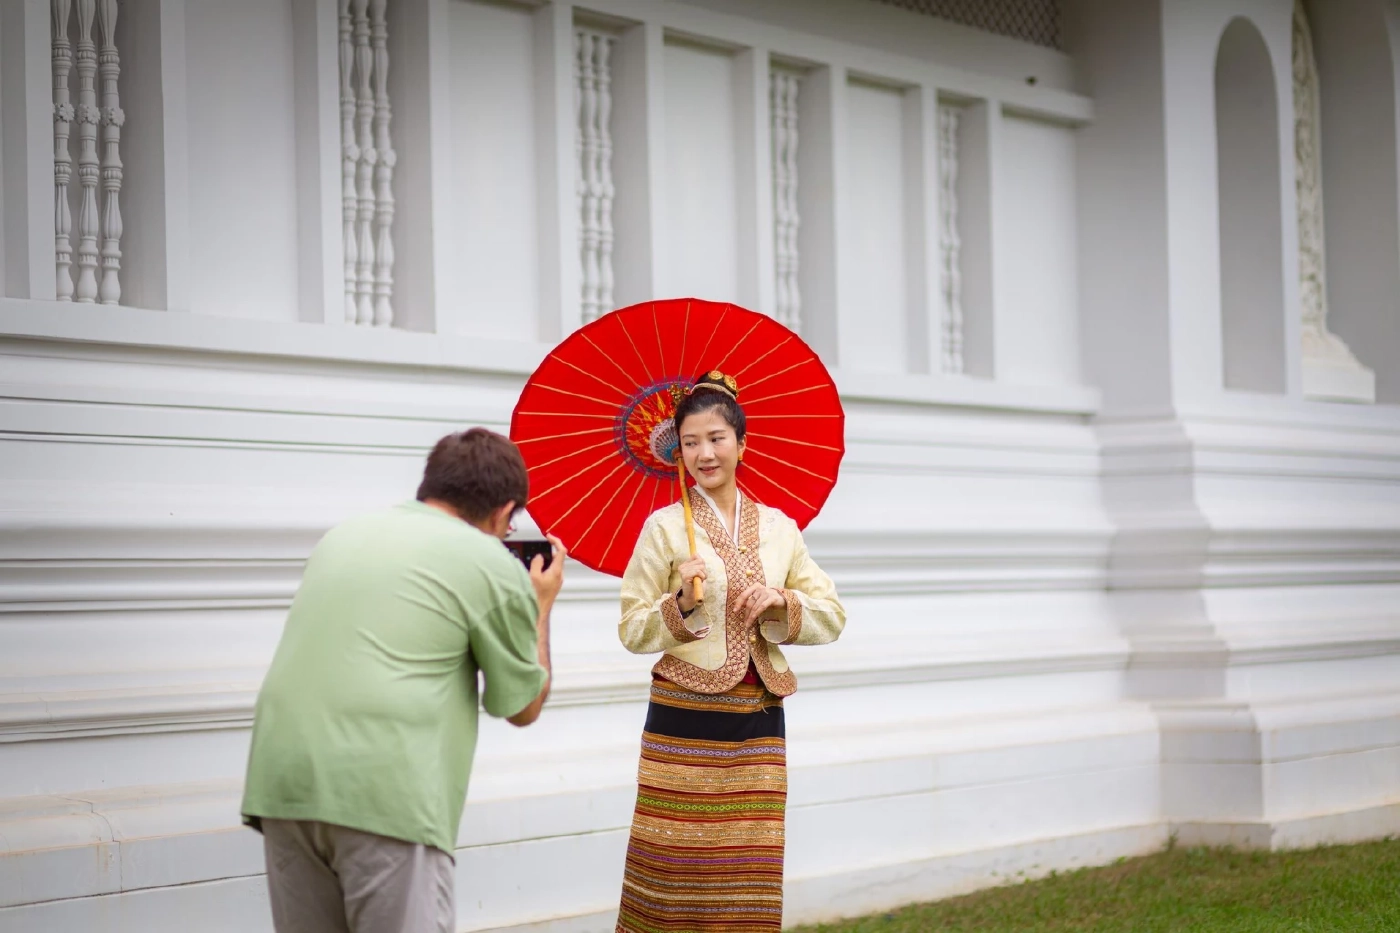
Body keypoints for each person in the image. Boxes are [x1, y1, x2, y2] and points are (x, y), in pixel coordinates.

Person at [241, 428, 565, 933]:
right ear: (503, 512)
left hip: (282, 782)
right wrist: (541, 605)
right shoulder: (486, 560)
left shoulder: (343, 535)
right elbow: (522, 705)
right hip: (382, 789)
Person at [613, 371, 847, 933]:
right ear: (677, 451)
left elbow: (832, 616)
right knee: (674, 870)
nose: (703, 453)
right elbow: (630, 628)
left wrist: (779, 603)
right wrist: (679, 606)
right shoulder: (665, 529)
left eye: (716, 438)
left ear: (742, 443)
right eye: (689, 442)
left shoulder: (780, 529)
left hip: (757, 722)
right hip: (683, 724)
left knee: (749, 870)